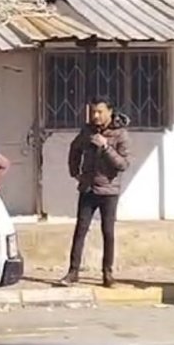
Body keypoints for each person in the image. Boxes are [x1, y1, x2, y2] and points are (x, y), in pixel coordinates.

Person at [60, 98, 130, 289]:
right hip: (88, 188)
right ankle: (73, 272)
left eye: (99, 112)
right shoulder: (87, 131)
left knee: (108, 233)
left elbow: (123, 164)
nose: (96, 116)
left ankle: (107, 274)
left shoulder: (120, 134)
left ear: (109, 111)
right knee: (80, 231)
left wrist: (106, 147)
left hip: (108, 191)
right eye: (93, 112)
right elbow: (74, 149)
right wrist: (75, 172)